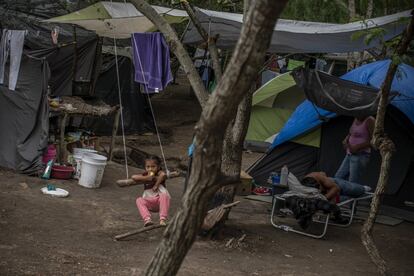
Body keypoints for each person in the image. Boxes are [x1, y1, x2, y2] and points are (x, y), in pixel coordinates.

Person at [131, 155, 171, 227]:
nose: (150, 169)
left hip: (160, 202)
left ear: (158, 167)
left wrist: (156, 184)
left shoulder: (158, 173)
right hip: (150, 202)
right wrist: (147, 178)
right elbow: (133, 177)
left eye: (153, 166)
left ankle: (162, 219)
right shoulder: (145, 174)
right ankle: (147, 219)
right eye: (148, 167)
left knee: (164, 196)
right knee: (139, 200)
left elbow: (163, 174)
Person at [335, 116, 375, 183]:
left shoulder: (370, 120)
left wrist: (358, 147)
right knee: (338, 178)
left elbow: (374, 140)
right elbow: (351, 133)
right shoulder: (356, 118)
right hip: (349, 154)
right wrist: (346, 139)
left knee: (352, 182)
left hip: (361, 155)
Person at [302, 172, 371, 203]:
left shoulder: (317, 176)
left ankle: (363, 188)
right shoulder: (301, 188)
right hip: (329, 193)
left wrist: (324, 198)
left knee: (353, 189)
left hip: (335, 184)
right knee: (349, 198)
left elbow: (336, 188)